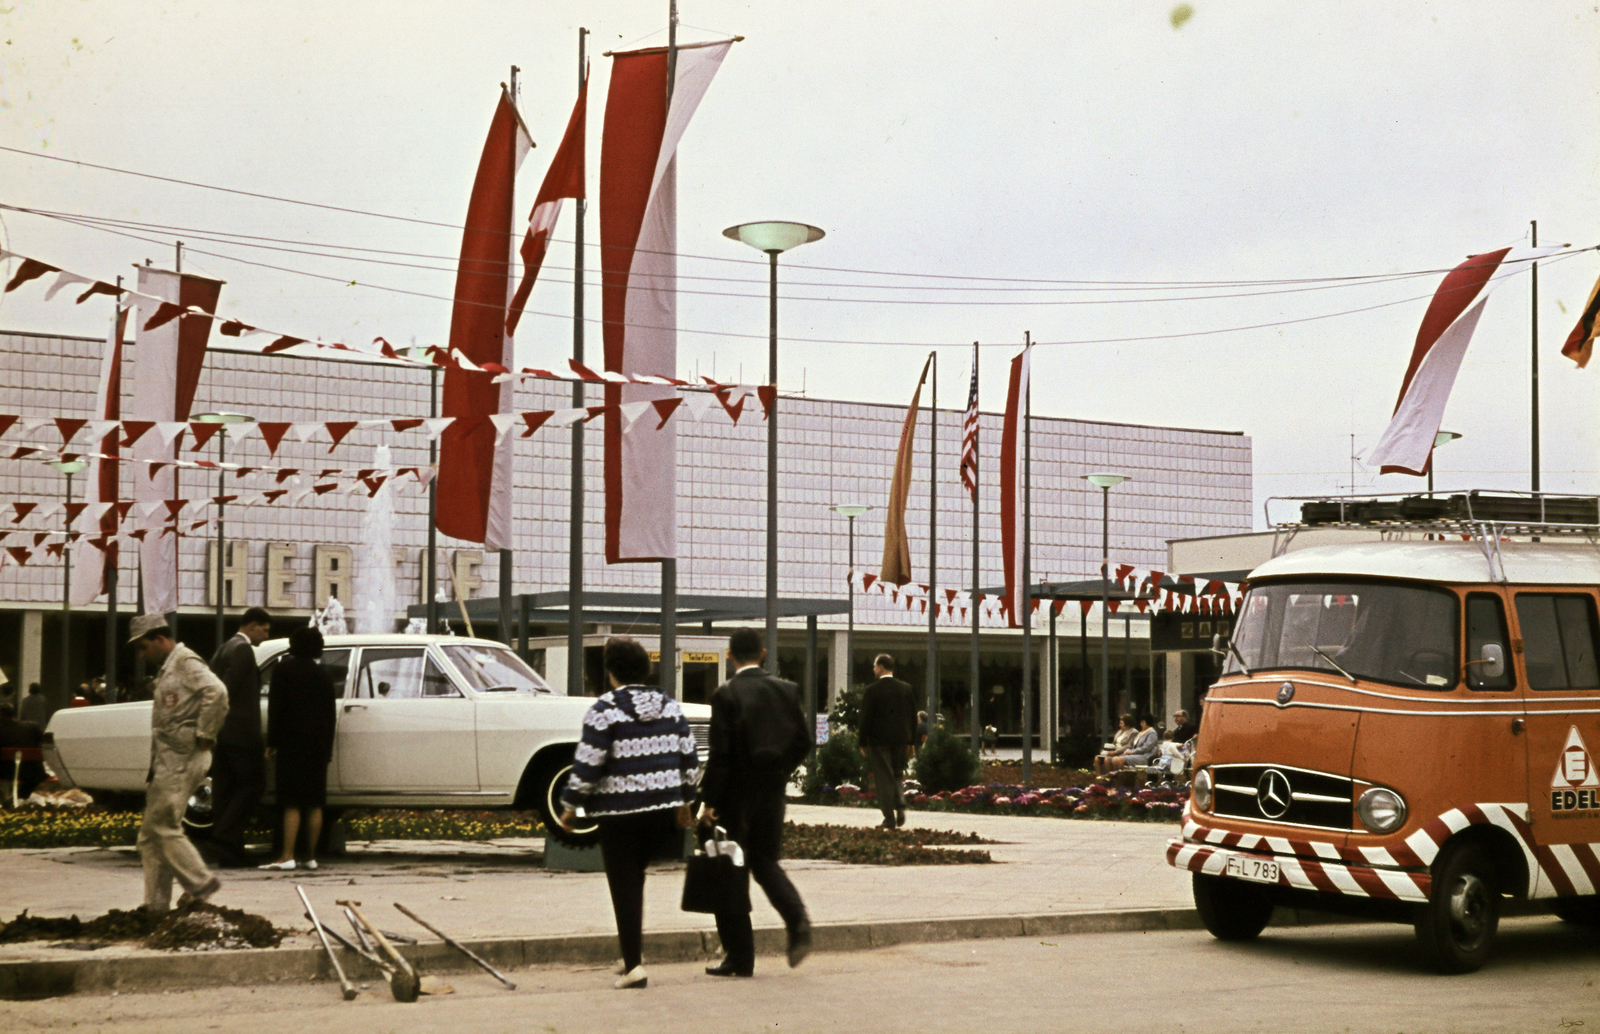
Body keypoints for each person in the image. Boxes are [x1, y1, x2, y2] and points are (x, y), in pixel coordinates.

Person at [557, 637, 698, 990]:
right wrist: (686, 802)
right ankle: (630, 953)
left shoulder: (604, 709)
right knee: (636, 880)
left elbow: (589, 761)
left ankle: (634, 966)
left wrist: (571, 804)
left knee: (625, 885)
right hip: (663, 812)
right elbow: (689, 759)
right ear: (645, 669)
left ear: (611, 672)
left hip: (620, 813)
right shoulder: (670, 706)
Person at [700, 627, 812, 978]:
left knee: (728, 870)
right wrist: (780, 770)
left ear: (731, 655)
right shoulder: (787, 690)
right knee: (765, 862)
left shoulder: (726, 694)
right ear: (762, 653)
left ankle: (740, 956)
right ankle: (798, 920)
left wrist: (709, 802)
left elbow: (720, 755)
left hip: (734, 794)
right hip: (772, 790)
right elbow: (804, 742)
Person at [129, 613, 228, 913]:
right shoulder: (169, 668)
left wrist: (205, 733)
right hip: (169, 759)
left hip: (182, 757)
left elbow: (218, 692)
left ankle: (200, 882)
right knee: (149, 837)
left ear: (160, 639)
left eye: (144, 647)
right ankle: (156, 906)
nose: (142, 654)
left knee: (162, 824)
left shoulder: (185, 662)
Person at [258, 625, 338, 873]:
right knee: (315, 802)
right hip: (317, 746)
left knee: (291, 802)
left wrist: (272, 743)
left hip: (291, 744)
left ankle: (287, 855)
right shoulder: (324, 675)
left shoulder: (283, 670)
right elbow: (329, 715)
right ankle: (310, 857)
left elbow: (276, 709)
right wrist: (327, 748)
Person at [208, 606, 273, 866]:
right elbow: (227, 691)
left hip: (222, 732)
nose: (266, 637)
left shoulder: (224, 648)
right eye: (265, 630)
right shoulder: (243, 650)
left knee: (225, 789)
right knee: (252, 784)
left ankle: (229, 851)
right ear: (252, 625)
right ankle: (223, 839)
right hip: (241, 732)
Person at [857, 653, 918, 829]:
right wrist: (911, 742)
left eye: (875, 666)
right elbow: (912, 717)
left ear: (882, 667)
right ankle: (900, 805)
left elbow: (865, 718)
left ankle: (889, 817)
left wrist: (862, 742)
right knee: (897, 773)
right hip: (901, 740)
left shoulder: (872, 690)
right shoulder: (906, 689)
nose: (873, 669)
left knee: (883, 777)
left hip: (879, 741)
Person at [0, 702, 46, 799]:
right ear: (14, 714)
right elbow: (45, 741)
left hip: (4, 771)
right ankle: (19, 796)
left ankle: (4, 799)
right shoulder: (32, 727)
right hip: (32, 772)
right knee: (36, 775)